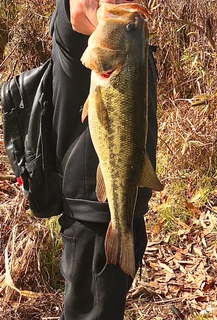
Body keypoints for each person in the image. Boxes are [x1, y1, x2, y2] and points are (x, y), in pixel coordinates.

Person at [50, 0, 159, 319]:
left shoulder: (128, 43)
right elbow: (76, 20)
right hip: (94, 216)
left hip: (127, 201)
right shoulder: (89, 33)